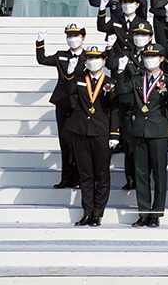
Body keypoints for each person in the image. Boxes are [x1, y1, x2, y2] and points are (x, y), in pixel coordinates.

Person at [116, 42, 168, 227]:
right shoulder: (136, 79)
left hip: (159, 131)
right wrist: (119, 73)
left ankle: (156, 213)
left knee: (159, 174)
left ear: (161, 59)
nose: (149, 60)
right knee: (141, 174)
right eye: (146, 56)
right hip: (139, 130)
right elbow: (121, 91)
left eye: (153, 56)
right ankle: (143, 212)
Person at [66, 47, 119, 226]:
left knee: (102, 174)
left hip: (102, 132)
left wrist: (114, 133)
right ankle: (87, 212)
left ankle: (98, 213)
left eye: (97, 58)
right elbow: (68, 90)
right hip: (81, 131)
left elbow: (115, 109)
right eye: (89, 58)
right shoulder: (80, 80)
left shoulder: (110, 82)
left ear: (104, 61)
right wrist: (70, 72)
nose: (93, 61)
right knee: (86, 174)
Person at [36, 23, 87, 189]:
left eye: (76, 35)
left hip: (80, 103)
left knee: (79, 143)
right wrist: (40, 42)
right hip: (63, 102)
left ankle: (79, 178)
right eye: (69, 36)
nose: (72, 39)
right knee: (65, 142)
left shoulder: (89, 57)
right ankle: (66, 178)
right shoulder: (61, 55)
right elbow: (42, 59)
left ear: (83, 37)